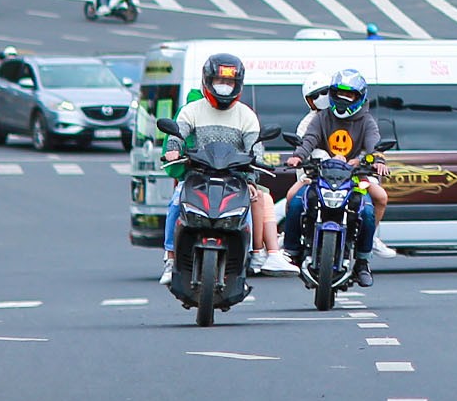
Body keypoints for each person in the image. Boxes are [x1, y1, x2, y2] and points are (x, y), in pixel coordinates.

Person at [162, 52, 284, 280]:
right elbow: (178, 134)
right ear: (208, 81)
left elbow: (255, 147)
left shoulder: (246, 115)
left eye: (229, 82)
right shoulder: (192, 110)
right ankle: (170, 258)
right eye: (219, 81)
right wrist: (173, 149)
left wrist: (251, 176)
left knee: (253, 201)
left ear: (238, 84)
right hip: (197, 176)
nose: (224, 87)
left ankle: (253, 253)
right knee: (176, 201)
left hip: (235, 178)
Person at [280, 68, 391, 284]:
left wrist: (376, 161)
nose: (343, 99)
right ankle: (292, 252)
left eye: (349, 95)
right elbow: (309, 140)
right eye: (339, 93)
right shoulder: (321, 118)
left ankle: (362, 260)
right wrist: (298, 157)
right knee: (295, 202)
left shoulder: (367, 121)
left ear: (359, 97)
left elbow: (374, 145)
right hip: (319, 175)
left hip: (354, 179)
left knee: (368, 210)